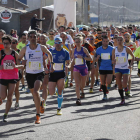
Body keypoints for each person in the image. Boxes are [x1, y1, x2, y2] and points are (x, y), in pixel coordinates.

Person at [18, 30, 53, 124]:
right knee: (35, 94)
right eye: (31, 37)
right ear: (28, 38)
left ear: (37, 38)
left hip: (39, 72)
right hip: (29, 74)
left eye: (34, 37)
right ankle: (41, 102)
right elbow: (18, 59)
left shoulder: (41, 47)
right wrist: (22, 62)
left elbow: (49, 54)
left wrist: (51, 64)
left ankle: (38, 115)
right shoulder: (25, 49)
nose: (33, 38)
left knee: (37, 91)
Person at [0, 35, 24, 122]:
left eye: (7, 43)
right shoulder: (1, 53)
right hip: (3, 76)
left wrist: (16, 66)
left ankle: (5, 114)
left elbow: (21, 65)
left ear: (10, 44)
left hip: (13, 76)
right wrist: (1, 67)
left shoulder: (15, 53)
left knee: (10, 97)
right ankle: (1, 98)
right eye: (4, 43)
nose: (5, 45)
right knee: (3, 96)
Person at [48, 37, 70, 115]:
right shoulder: (50, 51)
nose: (57, 44)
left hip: (61, 73)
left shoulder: (65, 52)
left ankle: (59, 108)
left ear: (61, 43)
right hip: (53, 73)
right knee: (51, 93)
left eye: (59, 42)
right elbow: (44, 58)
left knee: (60, 91)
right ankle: (54, 90)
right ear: (54, 43)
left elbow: (68, 62)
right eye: (56, 43)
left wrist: (68, 65)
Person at [112, 36, 134, 104]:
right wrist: (113, 62)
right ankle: (122, 99)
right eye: (118, 40)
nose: (119, 41)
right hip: (118, 68)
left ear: (123, 41)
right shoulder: (114, 49)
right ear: (116, 41)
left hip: (125, 68)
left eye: (121, 40)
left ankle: (126, 88)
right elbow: (112, 60)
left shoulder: (126, 48)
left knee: (124, 84)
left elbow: (133, 56)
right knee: (119, 85)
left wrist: (131, 65)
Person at [71, 36, 92, 105]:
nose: (77, 43)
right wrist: (69, 65)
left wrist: (83, 57)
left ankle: (82, 90)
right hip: (76, 68)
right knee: (77, 84)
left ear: (81, 42)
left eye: (78, 42)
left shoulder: (84, 49)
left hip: (84, 68)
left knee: (82, 85)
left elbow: (90, 58)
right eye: (76, 42)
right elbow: (72, 59)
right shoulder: (74, 50)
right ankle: (78, 99)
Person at [94, 36, 113, 100]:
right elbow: (94, 59)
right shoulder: (98, 49)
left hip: (109, 67)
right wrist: (97, 58)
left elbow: (114, 58)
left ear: (108, 41)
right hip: (102, 67)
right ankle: (105, 95)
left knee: (109, 81)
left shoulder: (112, 49)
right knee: (103, 82)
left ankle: (107, 87)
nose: (105, 42)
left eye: (107, 41)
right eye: (104, 41)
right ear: (102, 42)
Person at [11, 38, 22, 110]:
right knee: (9, 89)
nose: (12, 44)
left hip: (16, 72)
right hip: (7, 72)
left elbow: (21, 62)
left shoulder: (19, 51)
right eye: (11, 42)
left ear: (17, 43)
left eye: (14, 42)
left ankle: (17, 102)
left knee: (16, 89)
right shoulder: (6, 52)